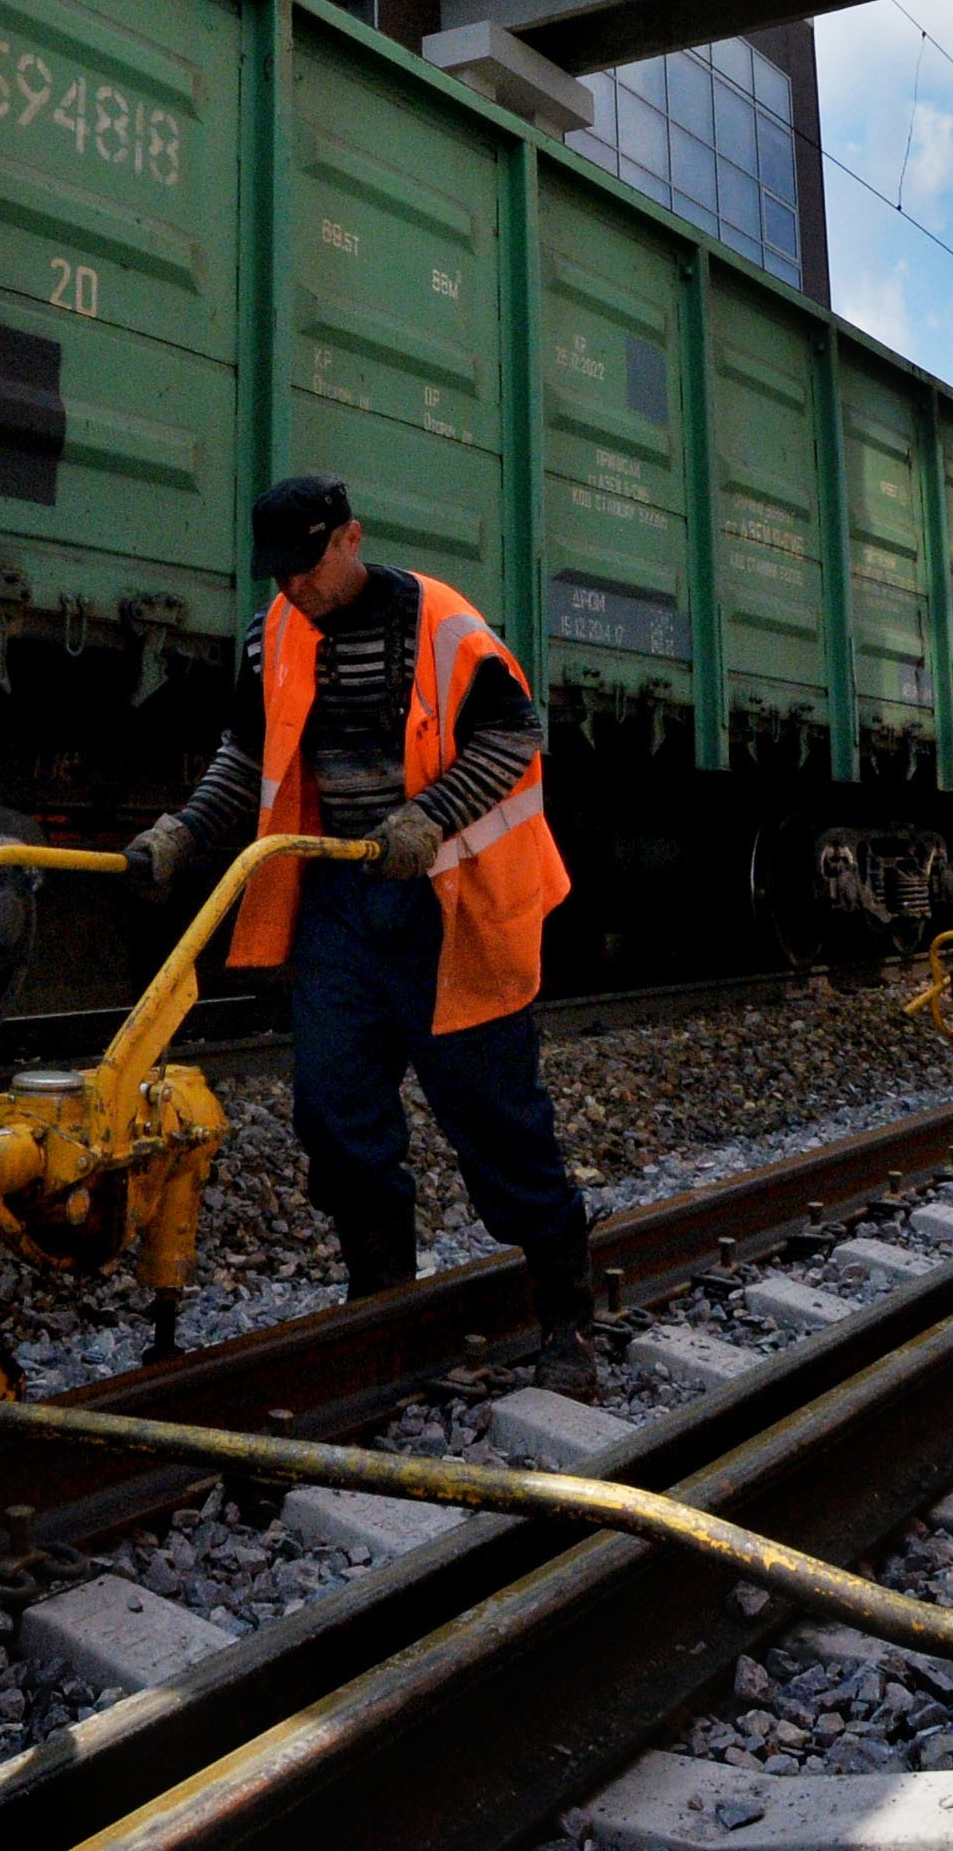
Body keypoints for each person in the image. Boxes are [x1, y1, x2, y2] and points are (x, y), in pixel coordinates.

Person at [131, 475, 601, 1389]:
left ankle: (567, 1315)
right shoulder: (277, 629)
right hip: (342, 905)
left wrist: (429, 817)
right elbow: (248, 753)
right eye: (281, 574)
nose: (294, 588)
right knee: (335, 1111)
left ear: (350, 539)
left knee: (494, 1116)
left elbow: (516, 736)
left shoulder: (441, 621)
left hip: (449, 904)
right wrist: (182, 833)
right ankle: (384, 1298)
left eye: (308, 568)